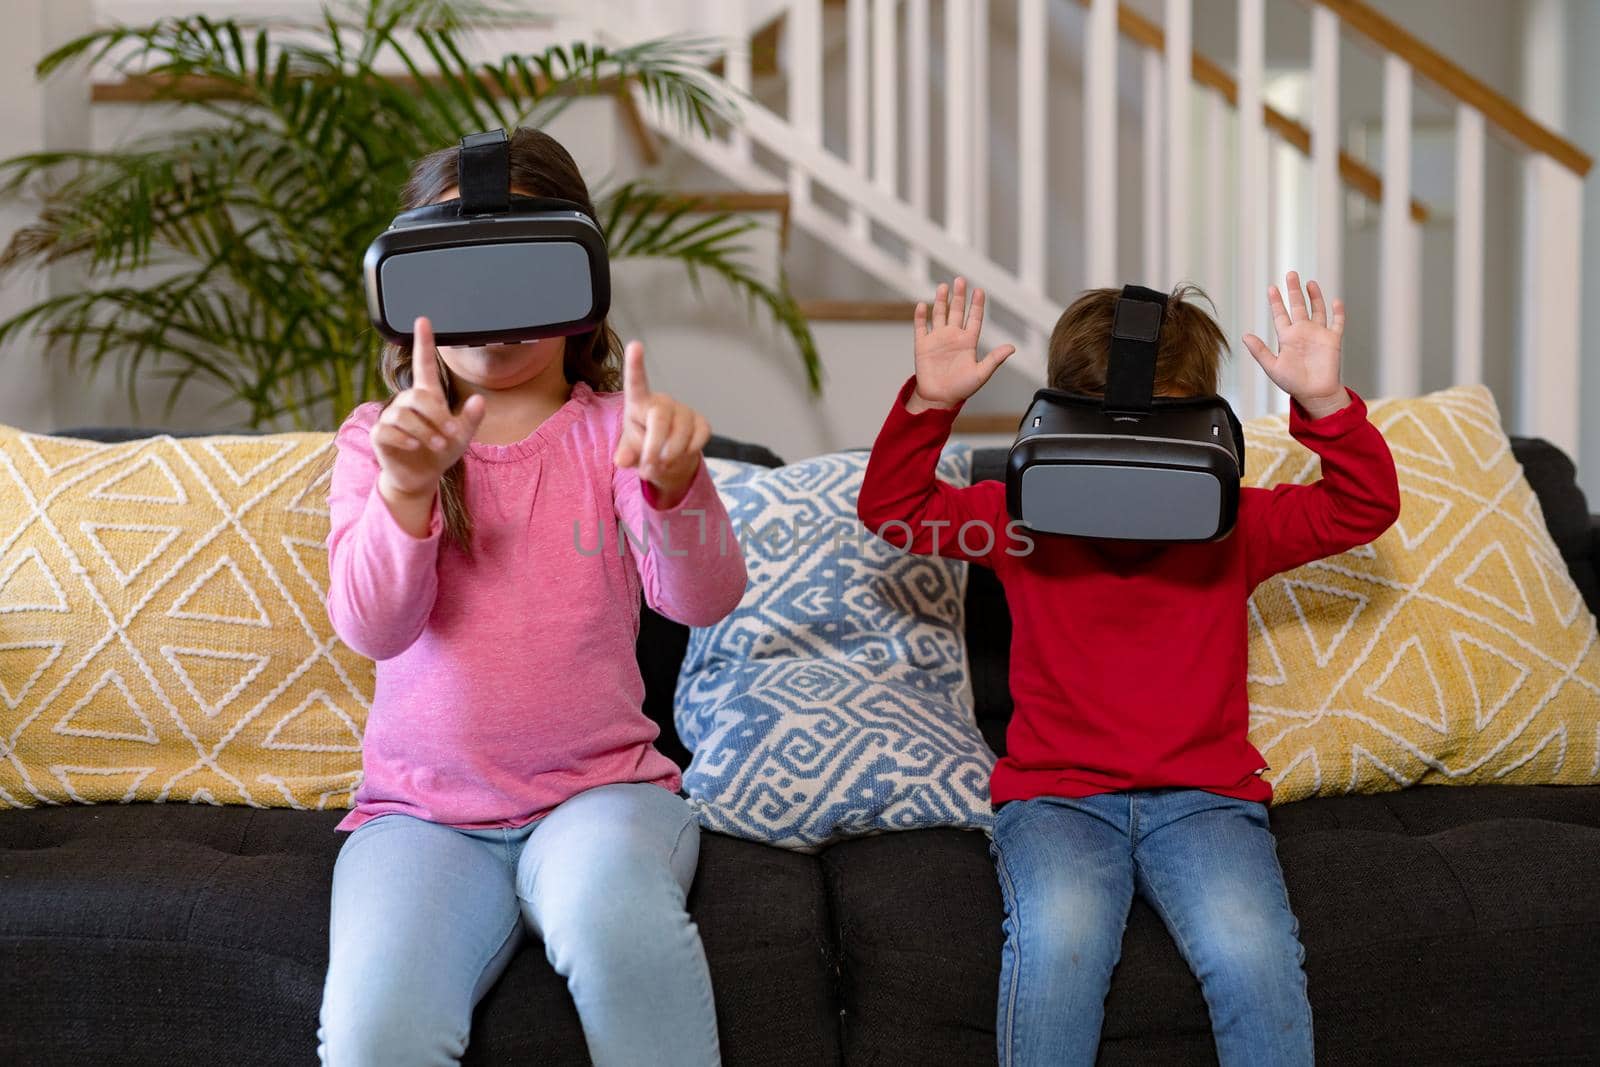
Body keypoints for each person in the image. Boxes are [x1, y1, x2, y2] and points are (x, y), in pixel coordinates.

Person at [856, 272, 1401, 1066]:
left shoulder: (1234, 524)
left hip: (1205, 801)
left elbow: (1363, 507)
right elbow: (893, 510)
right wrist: (931, 404)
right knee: (1058, 953)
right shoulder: (1020, 523)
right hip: (1059, 801)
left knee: (1255, 960)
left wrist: (1325, 404)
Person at [317, 128, 744, 1066]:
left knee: (618, 926)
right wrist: (406, 490)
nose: (495, 319)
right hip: (419, 818)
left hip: (602, 799)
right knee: (371, 1030)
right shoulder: (374, 442)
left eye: (522, 280)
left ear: (576, 289)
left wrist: (678, 487)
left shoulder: (613, 434)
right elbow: (371, 624)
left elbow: (704, 597)